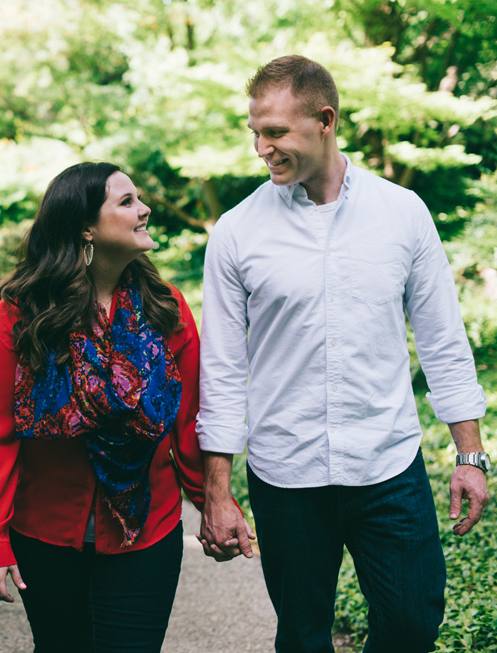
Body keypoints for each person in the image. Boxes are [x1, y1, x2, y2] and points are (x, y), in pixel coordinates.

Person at [197, 55, 491, 653]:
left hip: (387, 465)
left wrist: (471, 455)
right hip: (286, 474)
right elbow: (222, 370)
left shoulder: (402, 213)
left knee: (412, 624)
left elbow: (442, 340)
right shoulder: (235, 231)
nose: (261, 147)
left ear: (325, 120)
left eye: (275, 132)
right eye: (255, 131)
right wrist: (217, 492)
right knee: (303, 638)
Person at [0, 161, 206, 652]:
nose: (144, 210)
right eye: (126, 203)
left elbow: (188, 422)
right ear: (85, 229)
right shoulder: (23, 314)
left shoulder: (167, 308)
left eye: (137, 199)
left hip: (147, 532)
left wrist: (213, 504)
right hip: (48, 536)